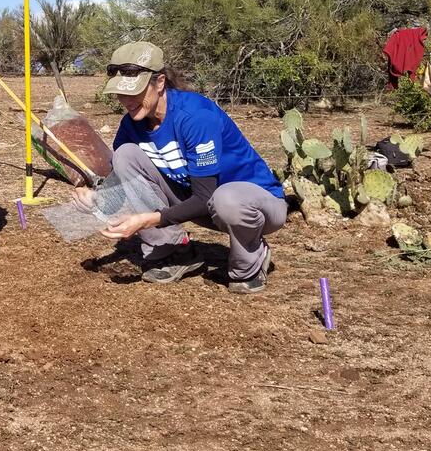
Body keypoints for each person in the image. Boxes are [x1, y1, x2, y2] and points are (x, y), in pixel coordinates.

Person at [73, 42, 286, 294]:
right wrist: (98, 199)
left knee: (226, 199)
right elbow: (123, 179)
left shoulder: (195, 116)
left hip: (255, 204)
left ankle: (250, 262)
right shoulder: (132, 123)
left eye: (135, 92)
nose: (126, 101)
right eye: (120, 93)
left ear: (160, 82)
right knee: (124, 155)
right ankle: (174, 249)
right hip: (198, 200)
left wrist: (149, 220)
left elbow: (205, 196)